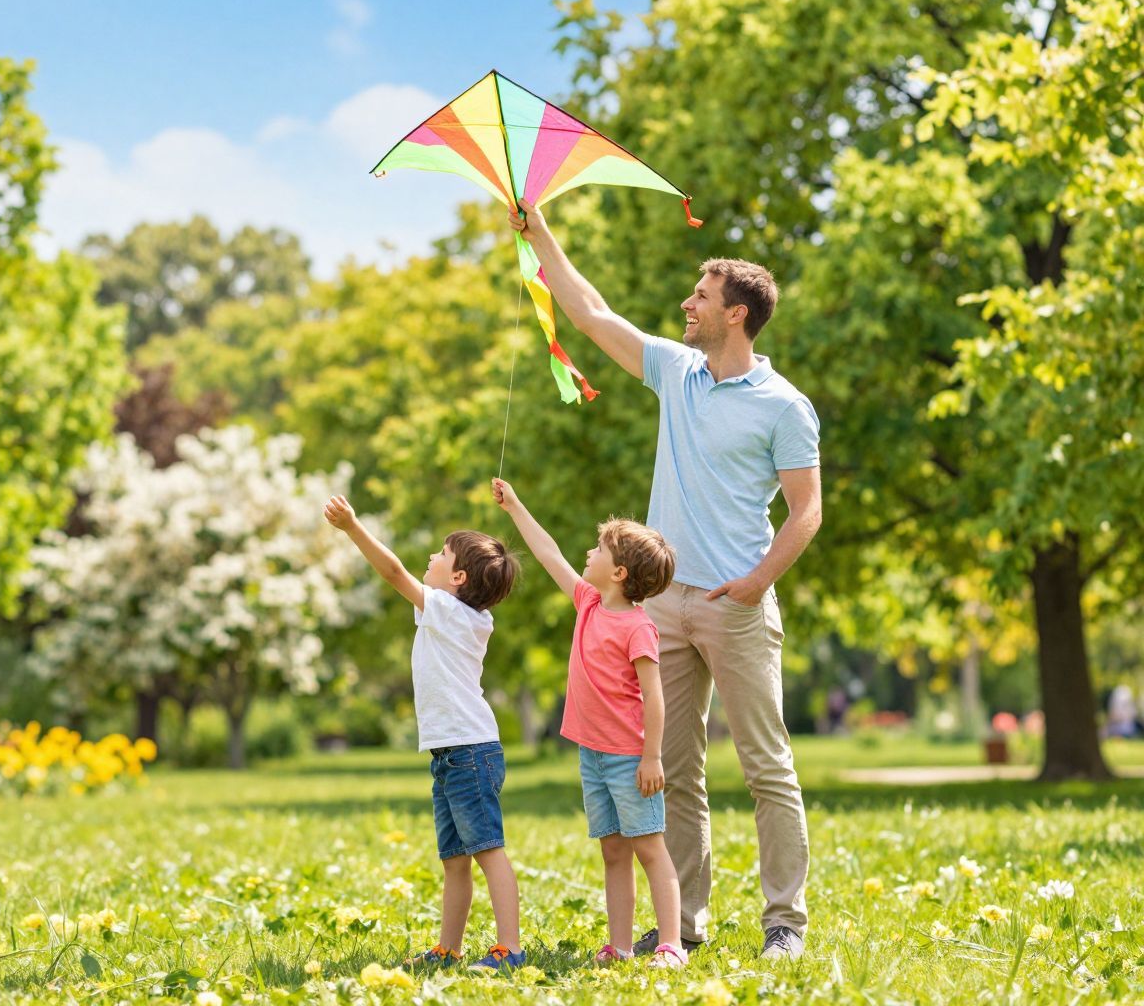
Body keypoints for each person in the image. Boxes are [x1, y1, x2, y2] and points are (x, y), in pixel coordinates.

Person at [510, 199, 823, 961]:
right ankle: (683, 921)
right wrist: (538, 227)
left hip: (735, 606)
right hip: (664, 610)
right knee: (672, 772)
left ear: (737, 313)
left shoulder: (785, 407)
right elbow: (588, 313)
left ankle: (785, 921)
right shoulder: (676, 370)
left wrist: (753, 584)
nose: (687, 303)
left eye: (701, 296)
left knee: (766, 768)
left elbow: (807, 513)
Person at [322, 494, 527, 972]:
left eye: (442, 553)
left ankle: (510, 948)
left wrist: (354, 527)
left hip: (469, 752)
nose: (431, 557)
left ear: (458, 579)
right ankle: (449, 948)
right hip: (453, 753)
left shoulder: (452, 613)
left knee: (488, 852)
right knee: (456, 859)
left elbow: (394, 573)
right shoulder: (456, 614)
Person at [492, 478, 686, 968]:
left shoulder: (638, 626)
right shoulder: (588, 604)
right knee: (613, 851)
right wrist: (516, 506)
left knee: (649, 849)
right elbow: (550, 553)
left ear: (618, 572)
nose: (588, 551)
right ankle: (619, 946)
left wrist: (652, 757)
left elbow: (654, 698)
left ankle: (671, 945)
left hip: (629, 759)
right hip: (593, 756)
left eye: (599, 549)